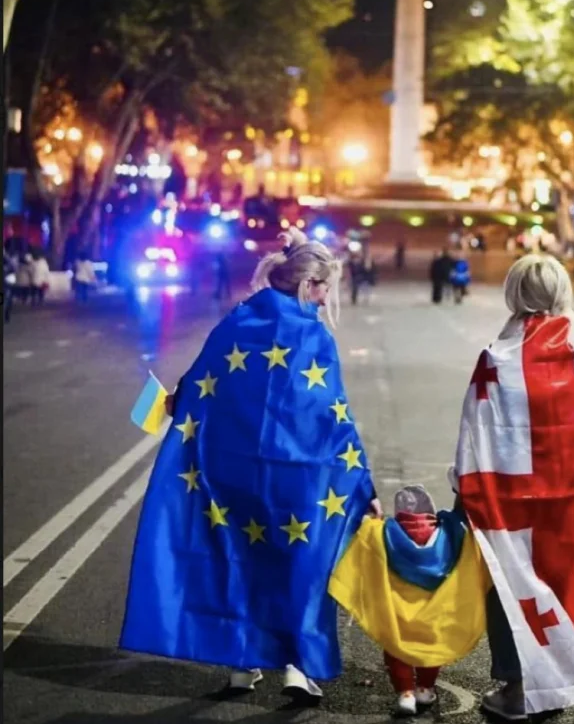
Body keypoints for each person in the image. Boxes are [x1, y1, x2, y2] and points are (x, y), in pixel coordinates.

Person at [121, 228, 382, 702]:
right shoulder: (312, 336)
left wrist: (172, 406)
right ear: (308, 286)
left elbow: (201, 380)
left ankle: (242, 665)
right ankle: (297, 667)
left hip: (232, 472)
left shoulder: (239, 319)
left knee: (239, 559)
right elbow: (331, 416)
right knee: (299, 564)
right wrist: (362, 479)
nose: (326, 300)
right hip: (297, 479)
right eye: (324, 289)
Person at [454, 254, 574, 720]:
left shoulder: (496, 358)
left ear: (514, 293)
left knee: (512, 593)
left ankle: (519, 687)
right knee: (566, 584)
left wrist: (465, 491)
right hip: (573, 502)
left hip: (509, 503)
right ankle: (562, 679)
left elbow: (476, 433)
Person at [329, 484, 489, 718]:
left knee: (396, 647)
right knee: (431, 648)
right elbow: (461, 524)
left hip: (398, 608)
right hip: (434, 607)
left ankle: (405, 693)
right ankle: (425, 688)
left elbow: (363, 538)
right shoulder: (449, 534)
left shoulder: (382, 533)